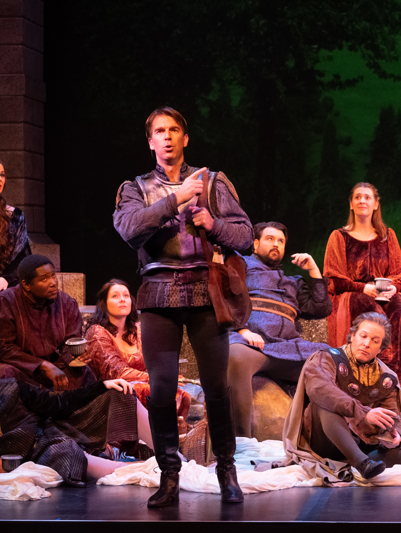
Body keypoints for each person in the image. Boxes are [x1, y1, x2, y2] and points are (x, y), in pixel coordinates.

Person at [113, 107, 252, 506]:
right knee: (160, 390)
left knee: (216, 387)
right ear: (151, 140)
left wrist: (214, 224)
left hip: (206, 291)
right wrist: (176, 199)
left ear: (185, 137)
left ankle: (226, 468)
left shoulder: (213, 183)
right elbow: (129, 230)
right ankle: (169, 475)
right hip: (158, 291)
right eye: (160, 130)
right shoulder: (135, 187)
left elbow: (245, 236)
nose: (168, 137)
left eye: (175, 130)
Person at [323, 182, 401, 389]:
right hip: (353, 294)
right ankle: (372, 374)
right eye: (358, 197)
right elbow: (333, 278)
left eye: (367, 197)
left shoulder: (387, 236)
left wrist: (393, 286)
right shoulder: (339, 236)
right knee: (375, 314)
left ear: (376, 204)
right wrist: (362, 288)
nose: (362, 201)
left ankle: (397, 380)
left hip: (382, 292)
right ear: (351, 204)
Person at [283, 312, 401, 482]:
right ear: (352, 336)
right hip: (326, 442)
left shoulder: (386, 376)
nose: (366, 344)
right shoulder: (326, 358)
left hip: (364, 444)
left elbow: (392, 415)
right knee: (324, 403)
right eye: (363, 336)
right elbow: (319, 389)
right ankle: (361, 463)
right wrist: (363, 413)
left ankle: (362, 462)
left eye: (375, 341)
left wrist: (393, 437)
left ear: (381, 349)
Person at [228, 221, 333, 437]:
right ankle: (242, 442)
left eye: (281, 241)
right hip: (252, 345)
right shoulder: (241, 265)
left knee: (327, 359)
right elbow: (224, 298)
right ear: (255, 244)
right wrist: (242, 331)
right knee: (236, 355)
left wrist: (313, 269)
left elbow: (321, 307)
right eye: (270, 239)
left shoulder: (291, 282)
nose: (276, 244)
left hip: (287, 348)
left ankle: (322, 440)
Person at [0, 377, 154, 486]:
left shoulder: (9, 389)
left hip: (53, 429)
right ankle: (146, 470)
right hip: (40, 456)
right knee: (66, 453)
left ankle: (171, 456)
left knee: (119, 394)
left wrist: (101, 386)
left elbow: (57, 402)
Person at [83, 279, 191, 419]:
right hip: (111, 392)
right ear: (104, 303)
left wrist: (165, 377)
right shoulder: (97, 332)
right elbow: (116, 373)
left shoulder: (138, 330)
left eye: (126, 295)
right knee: (153, 390)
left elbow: (154, 363)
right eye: (115, 296)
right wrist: (160, 379)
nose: (122, 299)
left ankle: (169, 434)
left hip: (142, 387)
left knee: (179, 393)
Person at [0, 255, 95, 390]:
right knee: (5, 374)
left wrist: (76, 355)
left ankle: (71, 407)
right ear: (26, 285)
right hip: (23, 368)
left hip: (54, 366)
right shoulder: (6, 302)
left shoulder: (66, 303)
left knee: (84, 372)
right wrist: (41, 365)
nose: (53, 283)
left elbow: (71, 340)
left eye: (53, 276)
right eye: (44, 279)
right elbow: (4, 348)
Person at [0, 159, 31, 290]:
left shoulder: (14, 216)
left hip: (6, 284)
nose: (0, 179)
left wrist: (5, 278)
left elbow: (22, 255)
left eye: (2, 175)